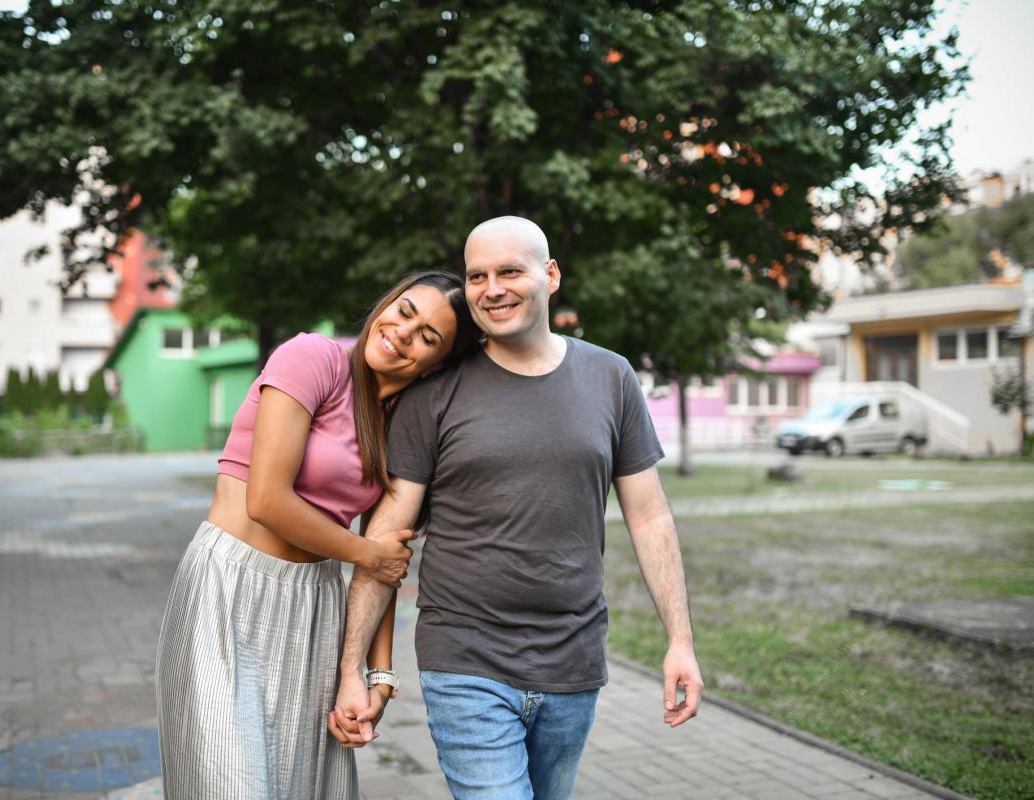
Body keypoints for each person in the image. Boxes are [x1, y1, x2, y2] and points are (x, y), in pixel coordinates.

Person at [329, 217, 703, 799]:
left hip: (573, 663)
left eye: (509, 271)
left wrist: (679, 640)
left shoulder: (611, 376)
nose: (491, 288)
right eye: (477, 275)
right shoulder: (435, 392)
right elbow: (388, 534)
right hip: (464, 660)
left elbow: (649, 515)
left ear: (550, 275)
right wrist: (354, 669)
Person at [155, 270, 478, 799]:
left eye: (428, 337)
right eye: (404, 311)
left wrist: (376, 675)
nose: (402, 333)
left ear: (436, 365)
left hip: (315, 610)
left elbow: (387, 558)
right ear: (387, 303)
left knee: (302, 785)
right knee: (227, 783)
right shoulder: (314, 358)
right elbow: (266, 500)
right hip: (228, 590)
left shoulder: (402, 423)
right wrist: (366, 554)